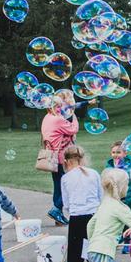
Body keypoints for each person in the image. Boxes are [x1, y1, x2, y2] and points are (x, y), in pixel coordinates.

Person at [60, 145, 101, 262]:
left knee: (75, 255)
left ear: (66, 161)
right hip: (94, 216)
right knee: (93, 250)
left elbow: (66, 204)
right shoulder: (94, 174)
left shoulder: (65, 178)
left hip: (77, 218)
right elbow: (100, 196)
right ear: (82, 158)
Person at [42, 91, 80, 225]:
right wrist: (73, 115)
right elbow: (73, 129)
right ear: (50, 107)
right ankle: (56, 209)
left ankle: (58, 217)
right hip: (60, 157)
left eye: (60, 106)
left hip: (52, 157)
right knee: (68, 186)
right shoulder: (57, 119)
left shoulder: (47, 117)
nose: (59, 109)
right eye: (57, 106)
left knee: (58, 186)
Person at [104, 140, 131, 207]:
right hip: (114, 198)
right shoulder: (109, 166)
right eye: (113, 152)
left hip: (129, 196)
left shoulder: (130, 166)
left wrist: (120, 170)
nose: (115, 155)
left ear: (125, 153)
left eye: (118, 152)